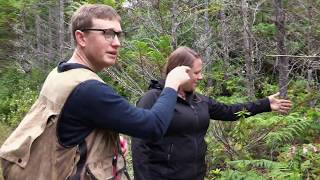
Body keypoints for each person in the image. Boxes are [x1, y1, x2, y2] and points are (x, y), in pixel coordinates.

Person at [0, 4, 191, 180]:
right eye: (107, 33)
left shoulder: (62, 72)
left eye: (118, 34)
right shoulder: (89, 89)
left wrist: (108, 141)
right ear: (81, 37)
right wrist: (172, 84)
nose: (116, 42)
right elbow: (153, 127)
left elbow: (70, 129)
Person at [131, 47, 292, 180]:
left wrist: (265, 104)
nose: (200, 77)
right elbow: (140, 147)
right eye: (196, 72)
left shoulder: (198, 100)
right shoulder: (152, 99)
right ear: (179, 72)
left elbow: (229, 111)